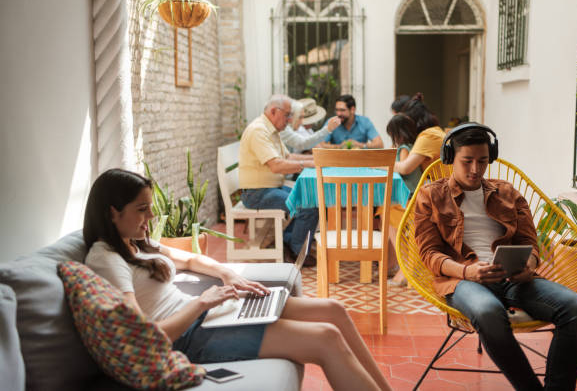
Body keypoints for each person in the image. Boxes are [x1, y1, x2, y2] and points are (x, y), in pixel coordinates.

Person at [83, 169, 392, 391]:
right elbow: (144, 336)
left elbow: (190, 258)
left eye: (150, 208)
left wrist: (230, 276)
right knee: (325, 337)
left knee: (333, 309)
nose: (150, 217)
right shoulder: (106, 258)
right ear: (113, 212)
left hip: (207, 316)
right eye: (142, 210)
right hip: (188, 338)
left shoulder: (134, 242)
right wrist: (203, 302)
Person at [413, 123, 577, 390]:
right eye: (467, 161)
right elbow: (429, 253)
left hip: (514, 278)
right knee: (488, 311)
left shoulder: (507, 193)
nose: (475, 169)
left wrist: (528, 265)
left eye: (483, 161)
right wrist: (468, 272)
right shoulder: (431, 196)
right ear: (450, 159)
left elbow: (529, 242)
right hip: (464, 281)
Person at [239, 95, 318, 265]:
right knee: (308, 204)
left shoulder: (271, 130)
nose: (290, 120)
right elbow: (276, 165)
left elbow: (288, 156)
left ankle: (288, 243)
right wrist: (307, 165)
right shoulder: (259, 131)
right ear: (274, 111)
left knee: (312, 200)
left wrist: (315, 161)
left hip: (270, 188)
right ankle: (296, 251)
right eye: (287, 115)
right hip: (257, 193)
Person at [387, 94, 446, 286]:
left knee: (389, 212)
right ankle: (400, 266)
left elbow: (405, 168)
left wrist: (380, 165)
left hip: (444, 196)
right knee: (388, 209)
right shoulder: (433, 132)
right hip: (441, 190)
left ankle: (406, 270)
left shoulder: (427, 136)